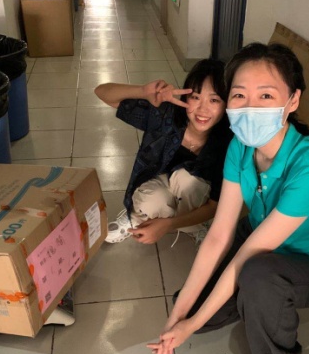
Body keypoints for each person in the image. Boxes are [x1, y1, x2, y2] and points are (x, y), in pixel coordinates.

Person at [147, 42, 309, 354]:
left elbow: (246, 257)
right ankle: (253, 304)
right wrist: (180, 315)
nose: (250, 107)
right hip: (257, 242)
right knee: (193, 305)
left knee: (256, 276)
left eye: (266, 96)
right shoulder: (240, 147)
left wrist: (191, 323)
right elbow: (219, 235)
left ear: (292, 101)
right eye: (240, 95)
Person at [94, 59, 233, 245]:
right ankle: (136, 216)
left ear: (226, 105)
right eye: (195, 97)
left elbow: (214, 205)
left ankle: (195, 226)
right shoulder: (166, 114)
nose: (202, 109)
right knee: (151, 201)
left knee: (187, 179)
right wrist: (143, 91)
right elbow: (102, 92)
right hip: (157, 185)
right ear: (185, 97)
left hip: (194, 195)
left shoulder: (228, 143)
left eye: (214, 100)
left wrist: (168, 225)